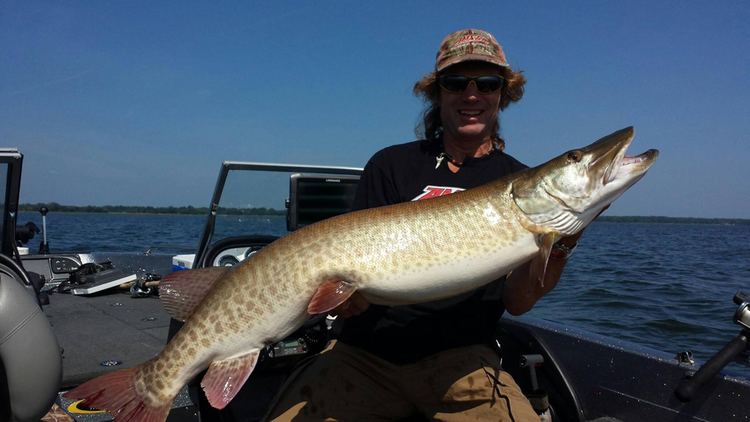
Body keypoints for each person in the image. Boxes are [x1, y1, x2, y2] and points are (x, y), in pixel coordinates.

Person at [265, 28, 583, 422]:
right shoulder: (391, 164)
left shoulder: (520, 183)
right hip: (365, 355)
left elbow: (518, 303)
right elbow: (350, 276)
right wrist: (344, 299)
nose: (472, 95)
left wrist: (564, 241)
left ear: (503, 93)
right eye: (455, 82)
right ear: (437, 93)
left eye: (487, 83)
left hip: (465, 361)